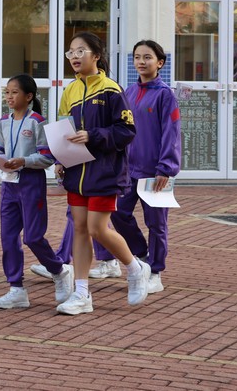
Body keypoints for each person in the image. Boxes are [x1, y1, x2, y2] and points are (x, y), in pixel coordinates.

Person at [54, 31, 148, 315]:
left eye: (80, 51)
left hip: (105, 172)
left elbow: (126, 130)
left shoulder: (111, 89)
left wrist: (92, 136)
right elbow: (63, 129)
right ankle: (82, 293)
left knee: (97, 229)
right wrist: (59, 157)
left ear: (96, 55)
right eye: (71, 52)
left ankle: (135, 267)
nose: (74, 57)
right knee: (80, 229)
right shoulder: (69, 91)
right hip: (76, 172)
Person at [80, 40, 181, 294]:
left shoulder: (165, 95)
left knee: (156, 224)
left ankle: (155, 272)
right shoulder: (129, 93)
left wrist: (166, 168)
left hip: (156, 172)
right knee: (118, 214)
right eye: (137, 57)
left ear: (160, 63)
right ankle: (143, 255)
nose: (141, 62)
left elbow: (171, 133)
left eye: (147, 57)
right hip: (128, 170)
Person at [0, 74, 74, 309]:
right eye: (7, 92)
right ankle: (16, 288)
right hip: (9, 185)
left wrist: (24, 161)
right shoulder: (3, 121)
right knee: (8, 237)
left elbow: (47, 157)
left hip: (31, 183)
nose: (9, 97)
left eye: (14, 92)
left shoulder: (37, 122)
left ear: (29, 96)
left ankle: (59, 270)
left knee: (33, 237)